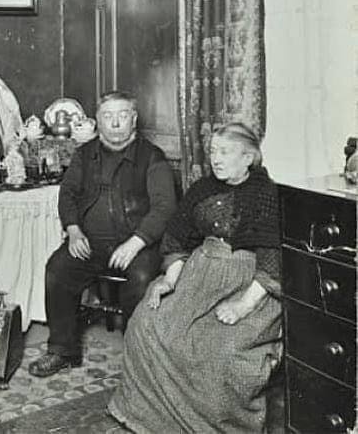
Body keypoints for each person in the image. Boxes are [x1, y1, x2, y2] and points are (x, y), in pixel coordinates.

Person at [108, 122, 282, 433]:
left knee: (220, 353)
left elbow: (271, 259)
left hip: (248, 284)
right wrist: (170, 280)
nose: (216, 158)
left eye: (225, 152)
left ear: (248, 157)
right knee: (147, 324)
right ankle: (153, 418)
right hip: (199, 273)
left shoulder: (266, 193)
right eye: (213, 151)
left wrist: (242, 306)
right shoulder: (202, 188)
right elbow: (177, 237)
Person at [28, 90, 177, 377]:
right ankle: (62, 350)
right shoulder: (85, 154)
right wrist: (73, 230)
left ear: (133, 119)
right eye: (108, 117)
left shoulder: (151, 157)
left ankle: (140, 359)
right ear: (98, 121)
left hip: (137, 244)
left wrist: (136, 243)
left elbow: (165, 207)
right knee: (58, 270)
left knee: (142, 279)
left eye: (123, 115)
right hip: (91, 243)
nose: (116, 123)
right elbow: (67, 194)